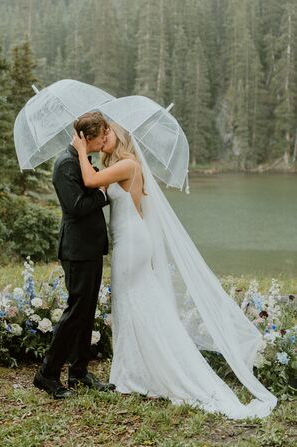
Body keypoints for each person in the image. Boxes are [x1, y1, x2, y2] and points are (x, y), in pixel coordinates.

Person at [72, 120, 277, 419]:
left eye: (109, 132)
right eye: (102, 133)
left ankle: (140, 373)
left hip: (131, 243)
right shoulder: (117, 166)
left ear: (123, 136)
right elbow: (96, 186)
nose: (104, 136)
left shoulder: (128, 165)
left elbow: (90, 181)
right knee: (130, 304)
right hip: (127, 241)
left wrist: (80, 150)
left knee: (134, 302)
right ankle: (131, 373)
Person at [34, 112, 115, 399]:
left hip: (90, 247)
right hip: (77, 250)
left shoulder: (80, 160)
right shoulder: (66, 164)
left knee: (87, 310)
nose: (105, 138)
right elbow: (77, 206)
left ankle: (79, 372)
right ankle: (47, 373)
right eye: (102, 134)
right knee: (75, 312)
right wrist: (104, 194)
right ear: (87, 138)